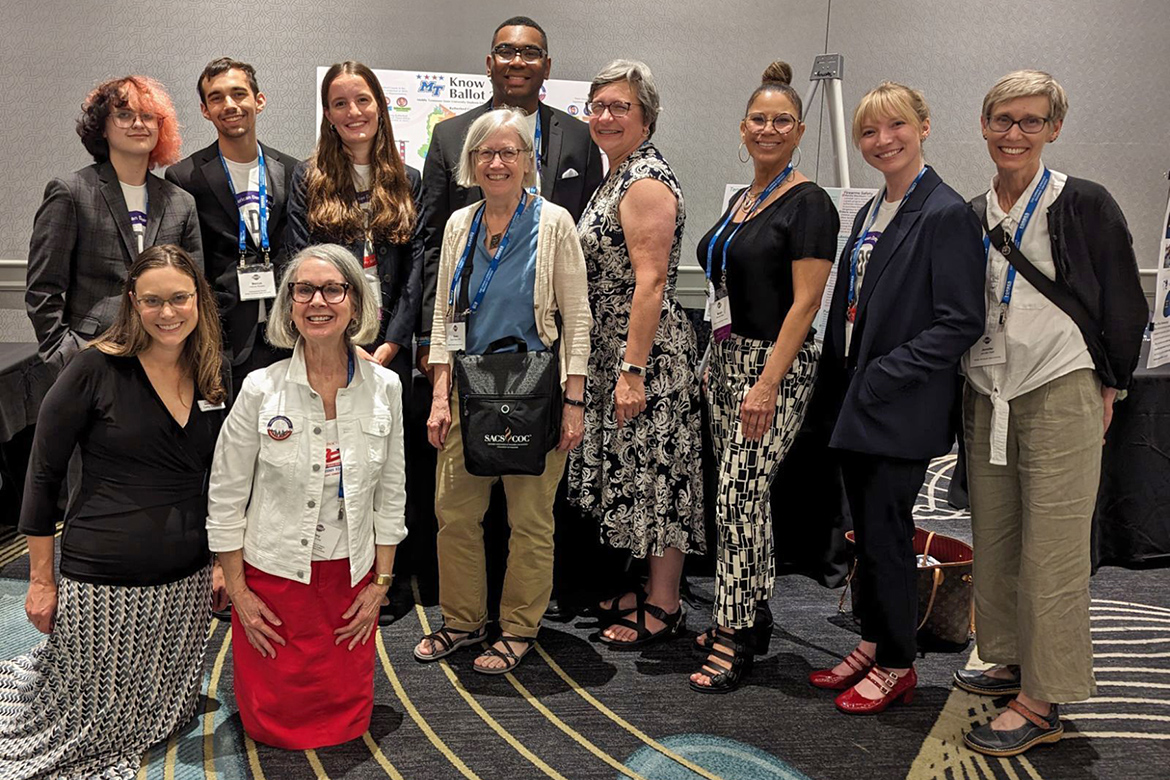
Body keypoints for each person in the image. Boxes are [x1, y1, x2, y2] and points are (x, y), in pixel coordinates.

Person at [956, 70, 1147, 757]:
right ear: (983, 125)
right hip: (989, 390)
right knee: (998, 535)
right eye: (1003, 120)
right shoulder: (974, 212)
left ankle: (1043, 697)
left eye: (1031, 122)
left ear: (1054, 129)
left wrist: (1110, 383)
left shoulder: (1083, 203)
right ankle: (1007, 656)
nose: (1015, 134)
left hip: (1061, 385)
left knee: (1054, 548)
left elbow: (1125, 302)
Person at [3, 245, 227, 778]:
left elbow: (222, 479)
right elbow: (41, 475)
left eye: (180, 298)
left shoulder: (213, 368)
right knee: (85, 722)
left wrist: (221, 562)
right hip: (105, 576)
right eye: (153, 301)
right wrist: (40, 580)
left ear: (199, 301)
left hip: (187, 583)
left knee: (161, 713)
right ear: (132, 302)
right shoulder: (94, 368)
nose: (168, 313)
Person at [806, 82, 984, 713]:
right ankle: (876, 638)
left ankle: (898, 663)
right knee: (867, 530)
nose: (882, 141)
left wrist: (883, 374)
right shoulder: (873, 208)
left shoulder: (945, 213)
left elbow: (960, 320)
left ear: (925, 126)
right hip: (858, 396)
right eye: (869, 133)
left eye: (895, 127)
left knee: (886, 533)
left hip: (898, 403)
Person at [206, 244, 406, 749]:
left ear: (355, 303)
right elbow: (226, 497)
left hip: (350, 578)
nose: (318, 301)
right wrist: (239, 592)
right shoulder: (258, 389)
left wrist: (381, 584)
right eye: (303, 290)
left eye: (333, 289)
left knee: (345, 718)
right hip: (274, 584)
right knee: (271, 722)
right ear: (289, 306)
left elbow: (391, 494)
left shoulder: (386, 388)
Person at [414, 108, 590, 673]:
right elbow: (445, 316)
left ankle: (518, 627)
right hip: (468, 390)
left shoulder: (555, 222)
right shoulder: (458, 225)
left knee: (530, 520)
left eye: (509, 152)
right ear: (471, 162)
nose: (497, 162)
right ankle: (462, 622)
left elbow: (578, 319)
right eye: (486, 153)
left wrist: (574, 401)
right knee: (454, 515)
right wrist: (440, 396)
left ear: (527, 162)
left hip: (533, 393)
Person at [690, 61, 838, 693]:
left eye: (782, 120)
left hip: (771, 365)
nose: (769, 128)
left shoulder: (810, 204)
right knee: (737, 503)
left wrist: (767, 382)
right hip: (726, 358)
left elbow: (805, 304)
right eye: (759, 119)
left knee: (739, 497)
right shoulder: (746, 199)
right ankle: (750, 614)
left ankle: (732, 633)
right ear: (742, 127)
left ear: (800, 130)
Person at [568, 59, 705, 649]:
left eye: (619, 107)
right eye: (597, 106)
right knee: (633, 474)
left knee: (657, 477)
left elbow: (650, 283)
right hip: (611, 352)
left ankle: (665, 603)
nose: (605, 116)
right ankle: (644, 589)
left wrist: (631, 370)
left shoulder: (644, 180)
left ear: (646, 116)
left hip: (643, 356)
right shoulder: (617, 174)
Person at [417, 15, 604, 369]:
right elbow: (432, 245)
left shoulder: (581, 140)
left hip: (548, 337)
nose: (517, 61)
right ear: (489, 64)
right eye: (506, 51)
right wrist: (430, 337)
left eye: (530, 52)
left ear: (547, 67)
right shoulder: (450, 137)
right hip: (471, 334)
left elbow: (586, 238)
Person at [26, 76, 202, 373]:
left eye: (148, 116)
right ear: (102, 127)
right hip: (92, 356)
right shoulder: (71, 191)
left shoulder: (181, 202)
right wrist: (65, 355)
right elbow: (43, 289)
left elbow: (195, 287)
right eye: (124, 115)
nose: (138, 124)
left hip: (165, 358)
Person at [286, 60, 423, 396]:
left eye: (362, 100)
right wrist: (341, 342)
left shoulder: (409, 180)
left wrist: (394, 341)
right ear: (328, 115)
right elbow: (298, 261)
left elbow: (415, 267)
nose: (353, 112)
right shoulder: (307, 179)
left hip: (390, 344)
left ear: (380, 105)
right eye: (340, 104)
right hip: (328, 337)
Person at [166, 57, 300, 398]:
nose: (229, 105)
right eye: (216, 97)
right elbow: (188, 263)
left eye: (238, 94)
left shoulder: (292, 169)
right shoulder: (185, 177)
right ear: (204, 109)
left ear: (259, 100)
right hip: (223, 338)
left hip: (286, 332)